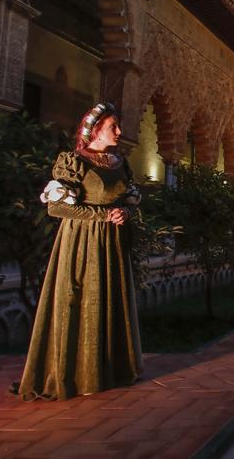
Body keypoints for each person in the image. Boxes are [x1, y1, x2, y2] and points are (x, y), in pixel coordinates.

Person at [17, 102, 143, 400]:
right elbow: (56, 206)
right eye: (114, 126)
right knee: (82, 299)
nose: (119, 131)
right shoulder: (74, 161)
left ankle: (109, 369)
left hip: (112, 242)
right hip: (82, 243)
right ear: (96, 129)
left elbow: (131, 198)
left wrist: (124, 212)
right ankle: (78, 374)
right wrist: (101, 216)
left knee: (110, 300)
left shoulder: (119, 163)